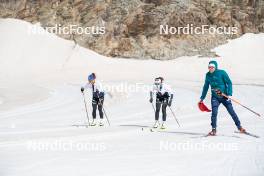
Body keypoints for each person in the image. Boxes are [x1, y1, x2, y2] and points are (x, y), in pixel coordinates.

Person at [199, 60, 246, 136]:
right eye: (209, 67)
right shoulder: (207, 75)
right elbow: (206, 87)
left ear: (215, 67)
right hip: (215, 97)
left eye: (212, 67)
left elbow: (229, 82)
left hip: (225, 96)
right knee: (214, 113)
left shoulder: (222, 73)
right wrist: (202, 98)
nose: (210, 69)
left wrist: (229, 94)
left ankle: (239, 127)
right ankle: (213, 130)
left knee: (231, 112)